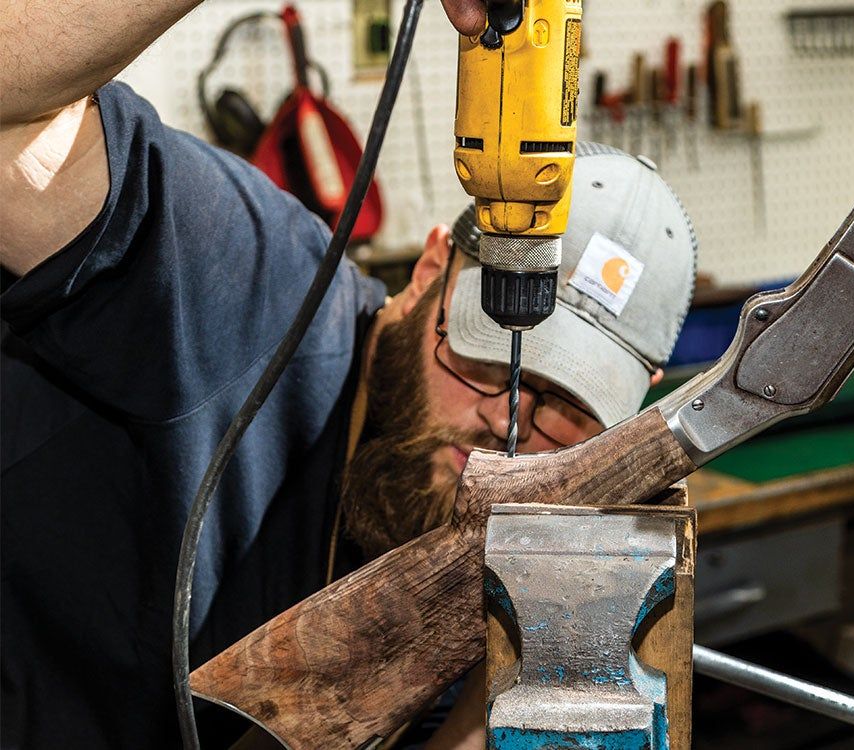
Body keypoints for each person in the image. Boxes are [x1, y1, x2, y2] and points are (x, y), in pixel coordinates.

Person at [0, 2, 696, 748]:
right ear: (431, 268)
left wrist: (510, 686)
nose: (512, 422)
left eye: (569, 404)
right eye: (487, 357)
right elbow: (12, 114)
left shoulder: (530, 542)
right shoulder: (240, 281)